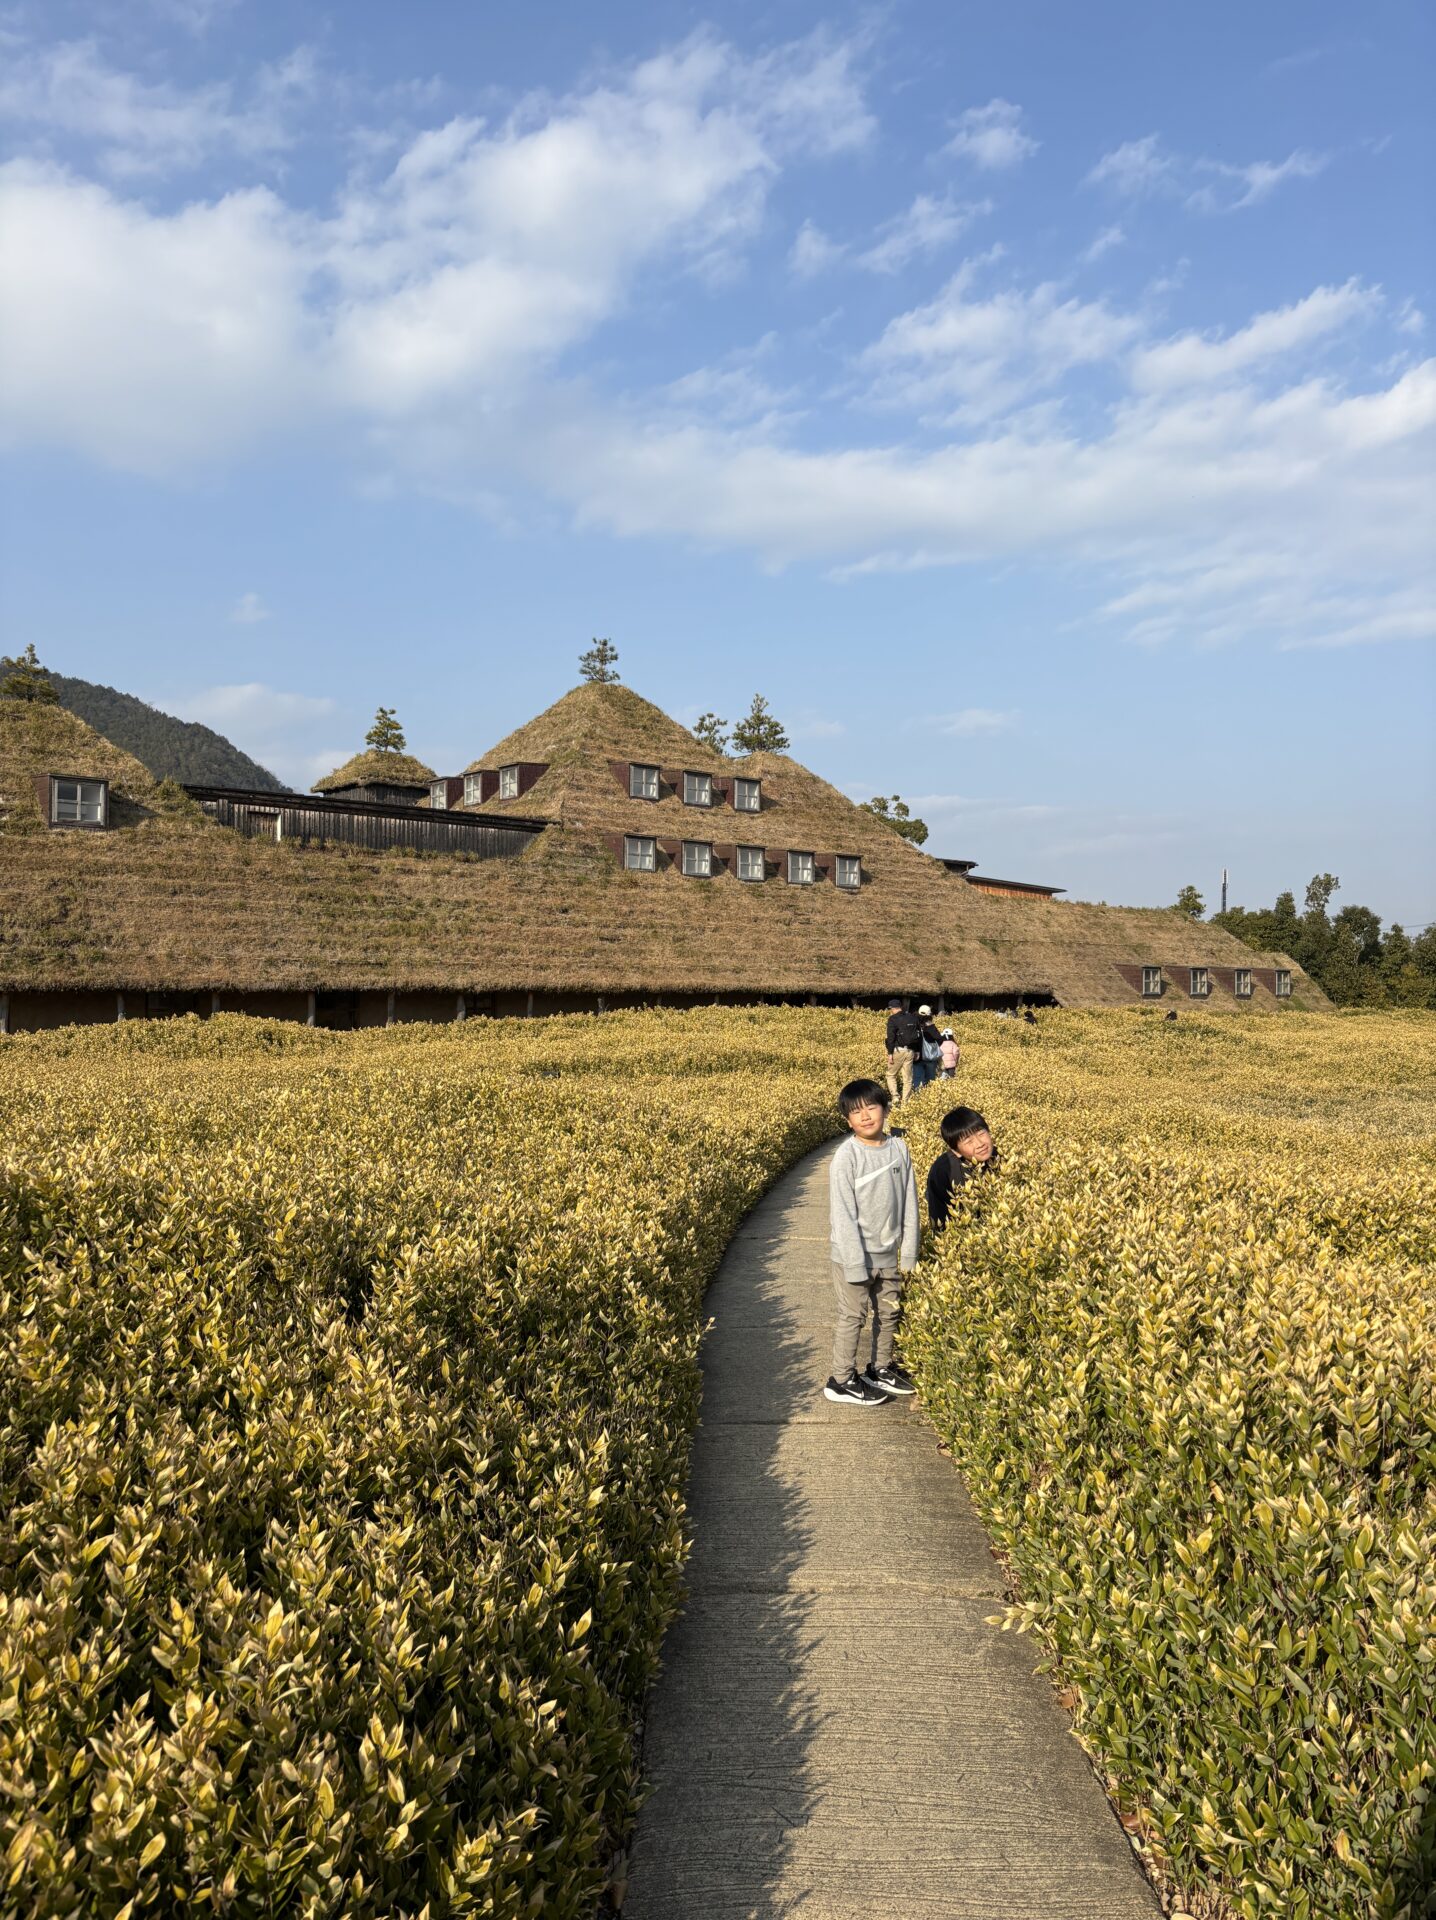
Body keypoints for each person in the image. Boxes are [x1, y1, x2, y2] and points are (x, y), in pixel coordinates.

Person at [826, 1078, 920, 1405]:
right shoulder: (846, 1156)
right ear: (847, 1120)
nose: (865, 1116)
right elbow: (842, 1214)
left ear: (885, 1108)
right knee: (853, 1316)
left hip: (888, 1254)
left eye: (871, 1107)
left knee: (889, 1312)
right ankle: (841, 1379)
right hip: (854, 1255)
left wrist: (908, 1252)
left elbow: (910, 1202)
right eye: (856, 1111)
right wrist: (855, 1263)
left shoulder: (899, 1148)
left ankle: (879, 1368)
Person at [925, 1105, 999, 1231]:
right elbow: (941, 1218)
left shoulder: (1000, 1156)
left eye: (981, 1134)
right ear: (956, 1151)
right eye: (969, 1142)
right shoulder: (945, 1170)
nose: (980, 1144)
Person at [883, 999, 922, 1107]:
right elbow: (919, 1035)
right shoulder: (913, 1018)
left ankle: (895, 1098)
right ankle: (905, 1102)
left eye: (890, 1009)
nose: (890, 1011)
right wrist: (918, 1050)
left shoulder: (893, 1019)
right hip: (911, 1051)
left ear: (893, 1008)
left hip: (898, 1051)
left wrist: (890, 1053)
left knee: (890, 1075)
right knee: (908, 1078)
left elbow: (890, 1037)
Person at [912, 1005, 943, 1091]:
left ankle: (918, 1096)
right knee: (930, 1080)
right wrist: (931, 1026)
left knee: (917, 1079)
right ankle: (929, 1095)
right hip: (930, 1057)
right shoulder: (930, 1026)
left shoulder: (913, 1024)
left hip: (917, 1058)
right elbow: (939, 1039)